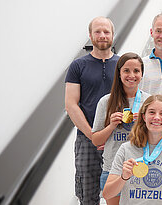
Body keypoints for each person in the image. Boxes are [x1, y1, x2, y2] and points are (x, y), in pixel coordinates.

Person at [65, 16, 119, 205]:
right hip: (86, 140)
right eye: (98, 31)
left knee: (120, 194)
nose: (102, 35)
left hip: (118, 139)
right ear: (90, 35)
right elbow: (71, 104)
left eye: (106, 31)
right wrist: (93, 135)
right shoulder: (78, 66)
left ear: (113, 35)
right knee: (87, 196)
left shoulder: (123, 66)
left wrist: (107, 134)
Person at [102, 95, 162, 205]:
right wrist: (123, 177)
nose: (157, 117)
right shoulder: (126, 149)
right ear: (144, 117)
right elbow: (107, 194)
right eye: (152, 112)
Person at [91, 53, 150, 204]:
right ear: (119, 73)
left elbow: (157, 137)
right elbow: (96, 140)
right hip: (112, 169)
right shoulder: (106, 101)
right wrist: (111, 126)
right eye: (126, 71)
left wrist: (144, 124)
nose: (132, 75)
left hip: (141, 167)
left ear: (142, 74)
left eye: (136, 71)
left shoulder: (148, 101)